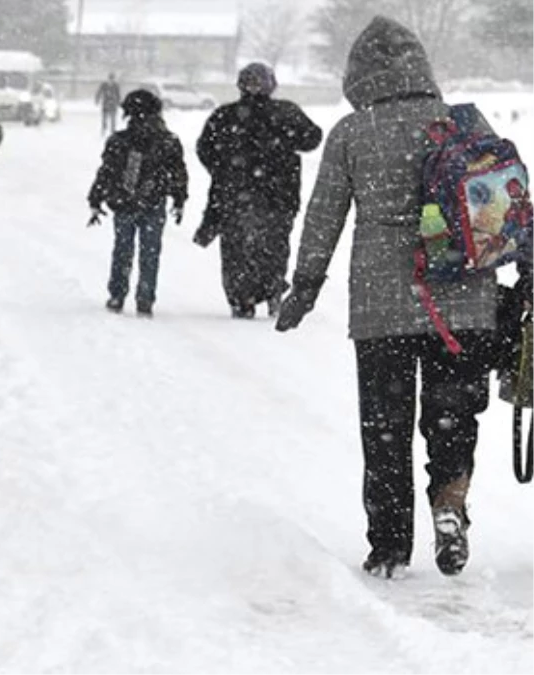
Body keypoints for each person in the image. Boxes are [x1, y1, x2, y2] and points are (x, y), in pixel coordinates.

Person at [276, 17, 515, 579]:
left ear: (359, 75)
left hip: (383, 306)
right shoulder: (462, 123)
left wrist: (305, 285)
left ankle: (388, 547)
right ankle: (450, 504)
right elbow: (504, 203)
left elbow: (324, 217)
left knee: (385, 428)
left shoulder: (353, 133)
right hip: (463, 301)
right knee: (451, 417)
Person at [195, 63, 323, 319]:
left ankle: (243, 297)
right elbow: (312, 138)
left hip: (235, 195)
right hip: (278, 195)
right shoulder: (285, 112)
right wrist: (284, 142)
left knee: (236, 250)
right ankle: (271, 289)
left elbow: (205, 149)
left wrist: (225, 169)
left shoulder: (226, 116)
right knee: (273, 246)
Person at [87, 90, 188, 318]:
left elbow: (106, 173)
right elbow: (178, 173)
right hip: (154, 203)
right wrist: (179, 199)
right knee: (150, 252)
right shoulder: (168, 141)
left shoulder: (119, 141)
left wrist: (96, 198)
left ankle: (117, 294)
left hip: (124, 202)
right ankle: (145, 298)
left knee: (123, 250)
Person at [95, 73, 122, 138]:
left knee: (113, 118)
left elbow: (118, 94)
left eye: (112, 79)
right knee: (104, 118)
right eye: (110, 78)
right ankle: (103, 130)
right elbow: (99, 92)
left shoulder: (116, 85)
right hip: (106, 103)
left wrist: (118, 102)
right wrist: (97, 99)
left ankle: (112, 130)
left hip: (113, 104)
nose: (111, 80)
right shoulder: (104, 85)